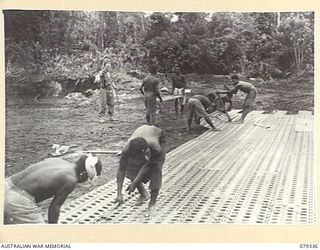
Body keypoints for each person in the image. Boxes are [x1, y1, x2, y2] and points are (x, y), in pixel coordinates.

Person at [4, 154, 102, 224]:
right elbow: (55, 207)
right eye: (87, 178)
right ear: (83, 174)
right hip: (18, 201)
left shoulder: (59, 161)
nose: (84, 181)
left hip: (6, 185)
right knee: (42, 238)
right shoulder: (71, 179)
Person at [115, 125, 166, 217]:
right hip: (142, 136)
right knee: (130, 169)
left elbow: (148, 165)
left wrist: (134, 183)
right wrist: (119, 194)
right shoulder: (127, 149)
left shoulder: (156, 148)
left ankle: (152, 204)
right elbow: (121, 169)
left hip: (158, 135)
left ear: (148, 149)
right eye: (143, 156)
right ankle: (143, 194)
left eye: (147, 154)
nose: (146, 158)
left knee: (156, 169)